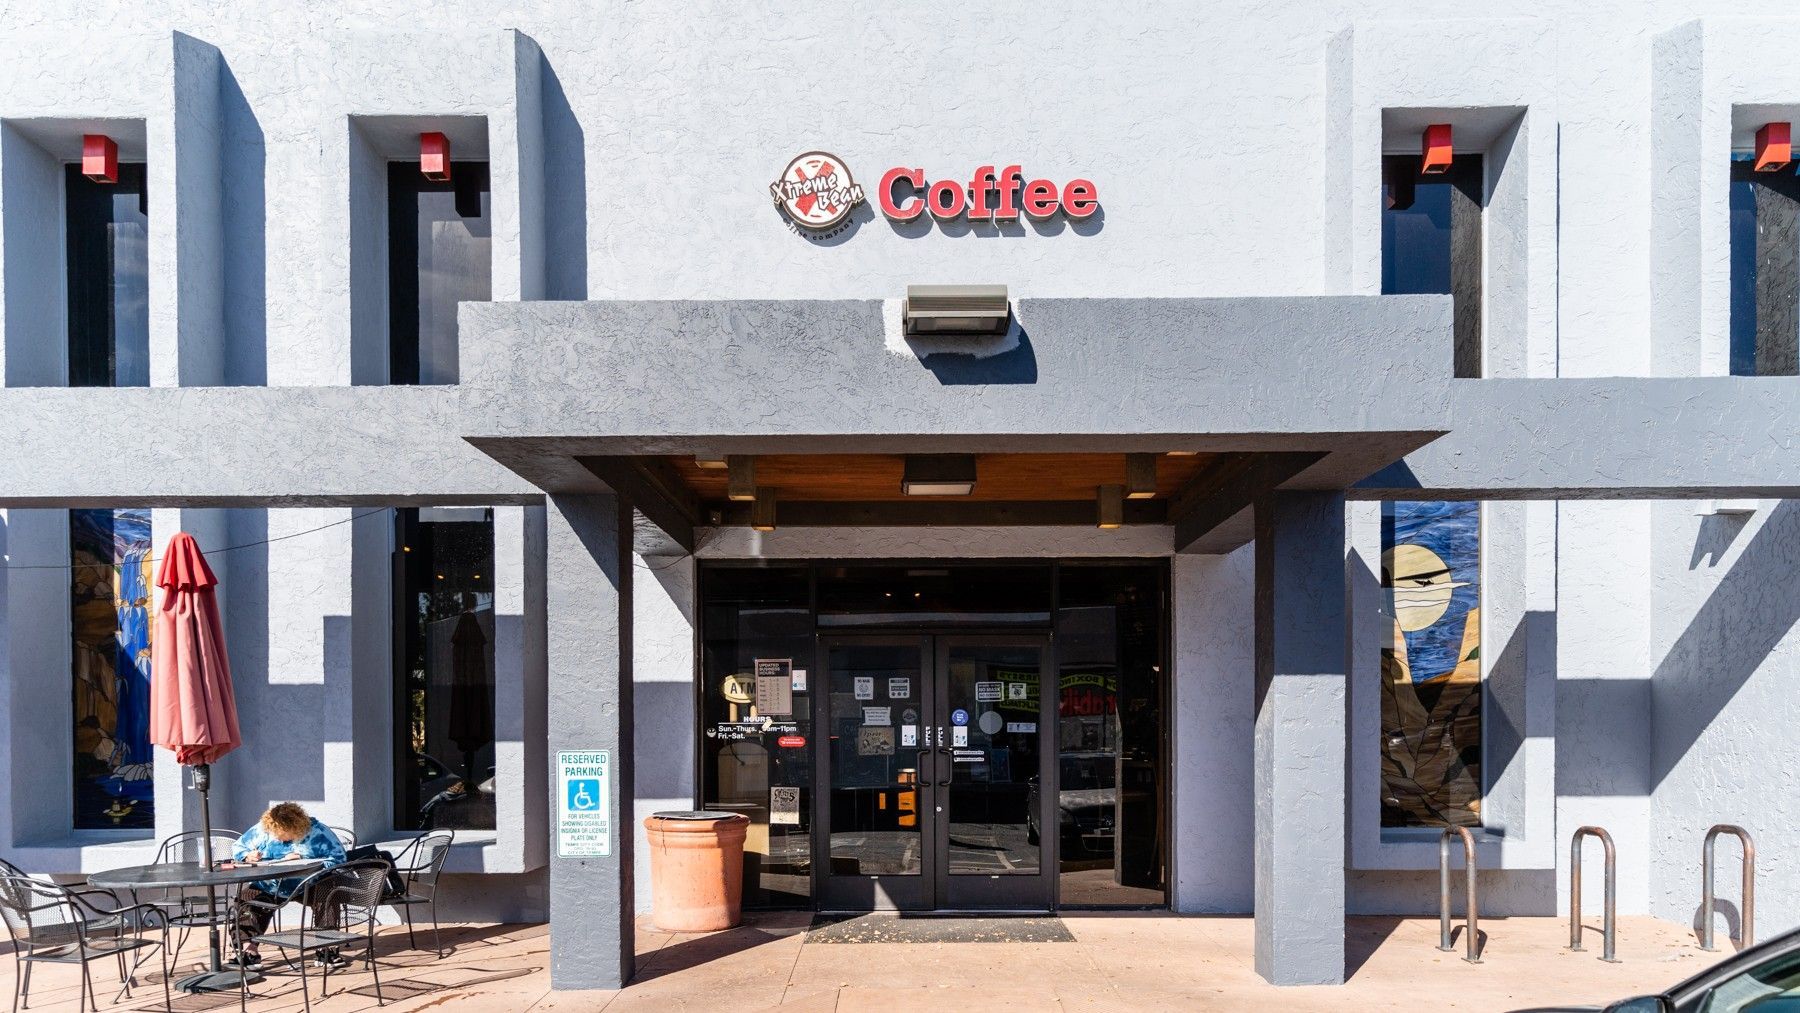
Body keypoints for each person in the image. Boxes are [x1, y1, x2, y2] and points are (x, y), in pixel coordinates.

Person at [229, 802, 347, 970]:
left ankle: (326, 948)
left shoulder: (318, 832)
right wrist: (248, 856)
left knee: (327, 895)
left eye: (281, 833)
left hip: (308, 884)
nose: (276, 836)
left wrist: (305, 860)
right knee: (246, 899)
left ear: (296, 827)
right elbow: (238, 848)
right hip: (270, 884)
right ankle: (247, 949)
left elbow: (339, 858)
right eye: (274, 832)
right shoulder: (263, 829)